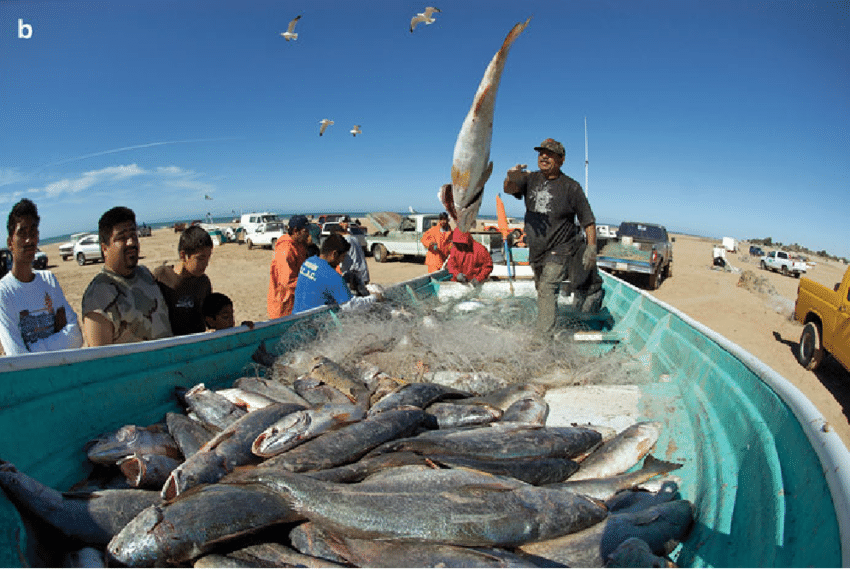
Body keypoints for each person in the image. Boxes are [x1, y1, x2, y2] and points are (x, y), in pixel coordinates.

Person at [503, 137, 604, 337]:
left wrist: (592, 248)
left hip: (561, 248)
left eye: (550, 154)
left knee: (548, 287)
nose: (544, 157)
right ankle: (550, 323)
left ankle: (542, 340)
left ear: (561, 159)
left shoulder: (571, 187)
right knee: (542, 289)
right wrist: (511, 176)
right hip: (537, 249)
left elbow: (588, 221)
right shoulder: (530, 179)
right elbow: (509, 189)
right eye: (541, 153)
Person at [0, 199, 83, 355]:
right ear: (10, 242)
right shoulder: (4, 292)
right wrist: (58, 337)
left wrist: (33, 347)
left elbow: (76, 336)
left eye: (33, 233)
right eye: (22, 233)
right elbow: (17, 356)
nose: (29, 240)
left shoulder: (49, 280)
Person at [81, 206, 172, 346]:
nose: (131, 242)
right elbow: (102, 359)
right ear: (105, 248)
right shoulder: (98, 295)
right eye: (122, 237)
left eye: (133, 235)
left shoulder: (145, 274)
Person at [292, 234, 377, 314]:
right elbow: (350, 306)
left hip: (297, 315)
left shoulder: (309, 262)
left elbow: (319, 284)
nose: (342, 260)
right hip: (314, 322)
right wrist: (374, 298)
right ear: (334, 254)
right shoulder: (332, 276)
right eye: (343, 256)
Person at [153, 225, 213, 336]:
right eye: (200, 258)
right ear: (183, 255)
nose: (206, 264)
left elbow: (212, 318)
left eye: (208, 258)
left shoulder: (203, 283)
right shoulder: (161, 277)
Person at [267, 214, 310, 319]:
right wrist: (311, 284)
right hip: (284, 304)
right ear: (296, 231)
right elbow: (287, 281)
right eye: (305, 231)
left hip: (295, 301)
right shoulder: (285, 249)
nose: (308, 234)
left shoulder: (298, 244)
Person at [334, 216, 370, 296]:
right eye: (343, 222)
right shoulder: (353, 238)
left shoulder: (347, 240)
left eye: (347, 222)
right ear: (340, 224)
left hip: (354, 277)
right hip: (361, 275)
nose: (346, 224)